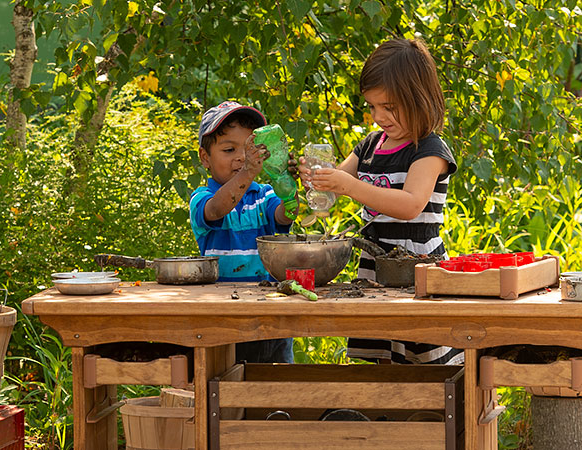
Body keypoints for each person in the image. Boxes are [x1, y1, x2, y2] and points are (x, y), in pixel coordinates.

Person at [300, 39, 463, 366]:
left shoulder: (430, 149)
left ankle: (431, 413)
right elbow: (337, 182)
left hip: (415, 268)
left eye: (389, 107)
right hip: (374, 264)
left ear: (419, 98)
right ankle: (388, 414)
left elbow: (410, 205)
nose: (379, 117)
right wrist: (317, 179)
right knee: (383, 357)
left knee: (421, 354)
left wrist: (349, 185)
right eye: (373, 107)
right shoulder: (370, 146)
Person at [190, 100, 298, 363]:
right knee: (228, 390)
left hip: (271, 315)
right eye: (229, 149)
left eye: (250, 150)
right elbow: (216, 210)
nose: (240, 157)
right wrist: (249, 171)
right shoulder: (202, 198)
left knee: (279, 386)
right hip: (225, 318)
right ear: (206, 158)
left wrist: (288, 184)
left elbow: (284, 215)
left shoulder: (264, 195)